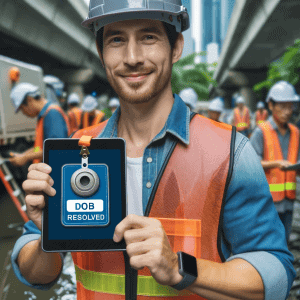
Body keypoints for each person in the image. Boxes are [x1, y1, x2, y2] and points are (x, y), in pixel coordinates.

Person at [12, 2, 295, 300]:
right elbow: (35, 275)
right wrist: (49, 235)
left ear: (176, 48)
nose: (132, 58)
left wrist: (179, 268)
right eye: (117, 40)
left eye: (149, 37)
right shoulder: (74, 150)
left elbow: (276, 276)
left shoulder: (228, 151)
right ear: (101, 53)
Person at [250, 80, 300, 243]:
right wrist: (277, 164)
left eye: (290, 106)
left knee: (284, 240)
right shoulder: (261, 132)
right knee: (269, 241)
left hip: (288, 200)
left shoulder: (295, 132)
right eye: (283, 106)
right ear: (270, 105)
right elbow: (251, 163)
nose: (288, 111)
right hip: (268, 200)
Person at [9, 83, 70, 166]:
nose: (23, 113)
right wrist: (23, 155)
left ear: (29, 99)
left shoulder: (52, 114)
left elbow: (55, 149)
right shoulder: (44, 115)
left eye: (22, 109)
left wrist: (25, 157)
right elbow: (40, 148)